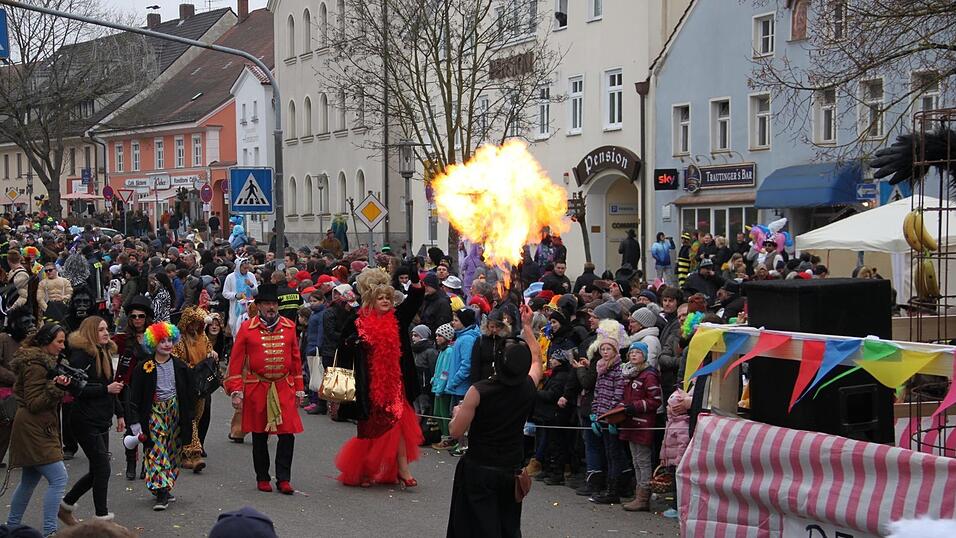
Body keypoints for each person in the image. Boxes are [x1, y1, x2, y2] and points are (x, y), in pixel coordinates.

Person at [446, 304, 543, 538]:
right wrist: (527, 327)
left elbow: (456, 432)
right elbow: (537, 361)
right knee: (507, 526)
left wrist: (457, 413)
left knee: (473, 528)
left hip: (479, 469)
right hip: (510, 469)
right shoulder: (528, 387)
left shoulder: (479, 391)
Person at [334, 267, 426, 487]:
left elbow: (414, 300)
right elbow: (342, 345)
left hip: (395, 383)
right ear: (370, 300)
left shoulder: (398, 318)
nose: (386, 301)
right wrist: (356, 342)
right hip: (367, 384)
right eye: (381, 298)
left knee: (398, 423)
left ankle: (403, 469)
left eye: (388, 298)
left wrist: (415, 279)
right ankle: (365, 470)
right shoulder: (357, 321)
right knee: (369, 428)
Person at [225, 283, 304, 495]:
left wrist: (299, 388)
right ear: (258, 306)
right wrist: (236, 390)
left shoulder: (289, 326)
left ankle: (284, 478)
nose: (271, 307)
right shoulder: (247, 328)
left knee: (287, 434)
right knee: (259, 434)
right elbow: (236, 361)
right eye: (267, 303)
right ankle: (262, 477)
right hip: (257, 387)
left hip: (283, 386)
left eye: (274, 304)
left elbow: (296, 360)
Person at [6, 324, 71, 537]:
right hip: (34, 428)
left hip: (36, 426)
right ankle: (50, 532)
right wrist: (56, 387)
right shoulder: (36, 365)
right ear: (45, 342)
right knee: (59, 478)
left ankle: (11, 527)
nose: (62, 346)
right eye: (59, 342)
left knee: (29, 480)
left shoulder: (41, 362)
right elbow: (34, 403)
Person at [61, 317, 124, 522]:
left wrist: (120, 413)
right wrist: (105, 389)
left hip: (101, 419)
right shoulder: (80, 357)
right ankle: (102, 518)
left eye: (107, 329)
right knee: (102, 469)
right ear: (90, 332)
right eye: (100, 330)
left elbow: (111, 387)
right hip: (84, 420)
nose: (106, 333)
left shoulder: (104, 351)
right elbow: (77, 390)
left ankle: (66, 506)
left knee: (97, 470)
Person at [127, 322, 194, 511]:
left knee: (173, 450)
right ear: (153, 343)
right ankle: (161, 492)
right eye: (162, 341)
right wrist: (135, 422)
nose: (167, 344)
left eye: (170, 340)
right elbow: (134, 397)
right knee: (157, 449)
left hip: (175, 411)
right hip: (153, 412)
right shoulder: (144, 367)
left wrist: (190, 417)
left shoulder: (180, 366)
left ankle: (164, 486)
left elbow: (189, 394)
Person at [111, 295, 154, 481]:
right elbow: (102, 345)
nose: (137, 319)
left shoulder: (155, 337)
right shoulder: (123, 339)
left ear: (147, 317)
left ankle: (147, 463)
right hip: (129, 387)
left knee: (150, 427)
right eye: (134, 316)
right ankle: (131, 462)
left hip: (151, 386)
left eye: (141, 316)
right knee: (132, 426)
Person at [619, 341, 662, 512]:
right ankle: (638, 493)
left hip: (643, 422)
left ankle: (644, 496)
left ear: (644, 355)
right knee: (635, 459)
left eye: (637, 352)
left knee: (643, 460)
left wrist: (635, 406)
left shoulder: (649, 375)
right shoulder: (630, 374)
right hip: (630, 421)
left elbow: (655, 400)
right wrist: (620, 408)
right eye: (631, 353)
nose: (633, 355)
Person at [171, 306, 215, 473]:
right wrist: (189, 369)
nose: (194, 327)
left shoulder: (202, 337)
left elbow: (209, 350)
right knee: (189, 419)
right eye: (192, 323)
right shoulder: (178, 340)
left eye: (197, 324)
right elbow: (176, 360)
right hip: (185, 384)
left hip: (201, 384)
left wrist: (212, 355)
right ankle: (194, 454)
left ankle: (184, 451)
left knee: (197, 417)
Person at [222, 258, 258, 335]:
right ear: (238, 267)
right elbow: (225, 293)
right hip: (236, 309)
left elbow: (256, 292)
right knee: (236, 331)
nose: (246, 270)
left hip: (250, 308)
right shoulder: (230, 277)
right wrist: (235, 295)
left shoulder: (251, 276)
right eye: (244, 268)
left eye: (247, 268)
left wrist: (251, 285)